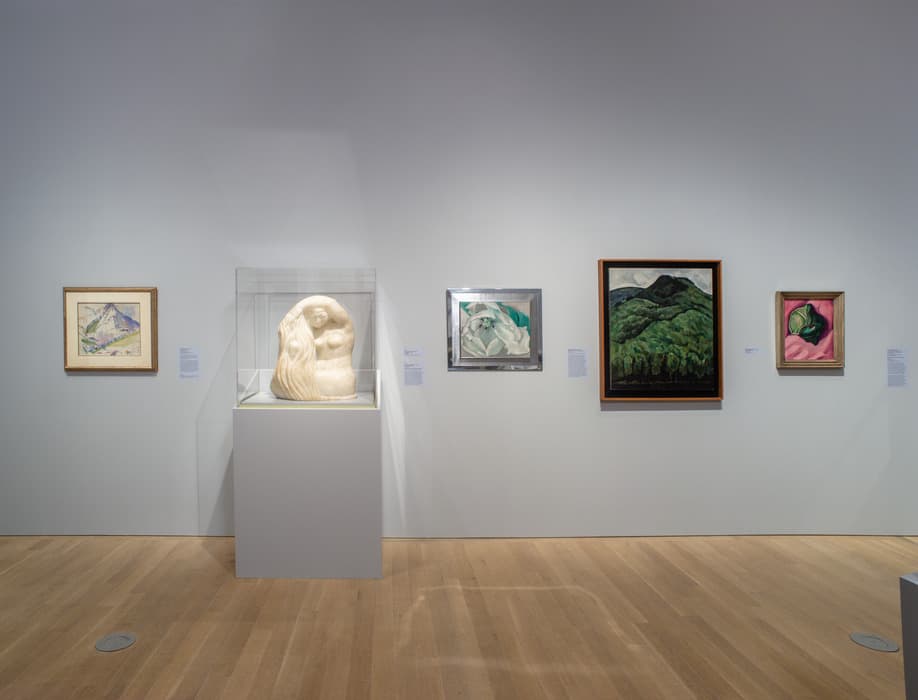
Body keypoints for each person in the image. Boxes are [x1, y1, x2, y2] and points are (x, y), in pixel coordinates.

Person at [270, 295, 356, 401]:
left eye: (322, 316)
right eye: (315, 317)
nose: (319, 320)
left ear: (329, 314)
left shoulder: (344, 327)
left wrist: (298, 308)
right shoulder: (311, 332)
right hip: (313, 376)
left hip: (340, 377)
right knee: (282, 379)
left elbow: (330, 304)